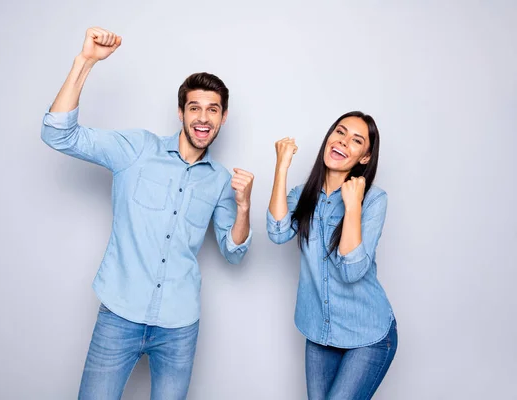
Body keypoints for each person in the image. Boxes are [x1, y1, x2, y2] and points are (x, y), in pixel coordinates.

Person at [41, 27, 254, 400]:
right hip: (119, 313)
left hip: (179, 325)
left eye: (213, 109)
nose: (203, 118)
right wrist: (85, 62)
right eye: (195, 107)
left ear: (223, 117)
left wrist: (244, 207)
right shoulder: (137, 149)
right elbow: (58, 134)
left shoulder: (221, 180)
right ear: (180, 112)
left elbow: (233, 251)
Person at [266, 112, 397, 399]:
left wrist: (352, 207)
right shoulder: (303, 195)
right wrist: (281, 167)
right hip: (319, 331)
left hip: (368, 334)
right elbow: (277, 232)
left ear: (365, 157)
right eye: (340, 132)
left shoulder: (374, 200)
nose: (343, 142)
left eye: (356, 140)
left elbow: (351, 271)